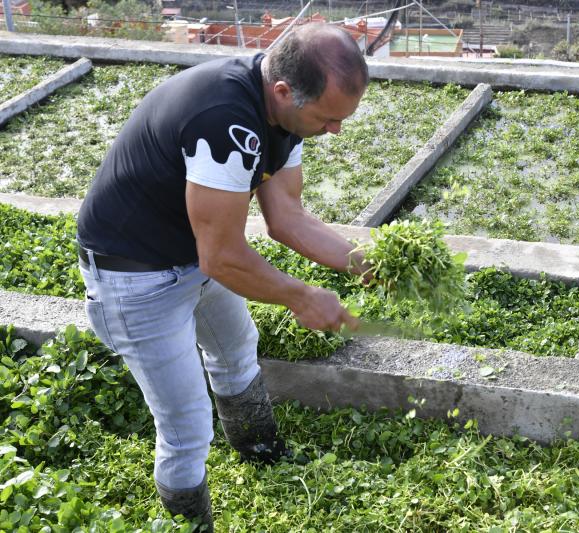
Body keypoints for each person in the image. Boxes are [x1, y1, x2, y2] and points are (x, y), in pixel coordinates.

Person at [76, 23, 369, 530]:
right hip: (135, 275)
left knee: (236, 350)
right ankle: (193, 524)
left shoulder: (288, 114)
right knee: (187, 428)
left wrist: (365, 262)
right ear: (284, 91)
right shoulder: (225, 120)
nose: (334, 130)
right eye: (328, 118)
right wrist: (301, 297)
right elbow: (223, 257)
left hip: (190, 252)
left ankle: (261, 451)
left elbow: (288, 219)